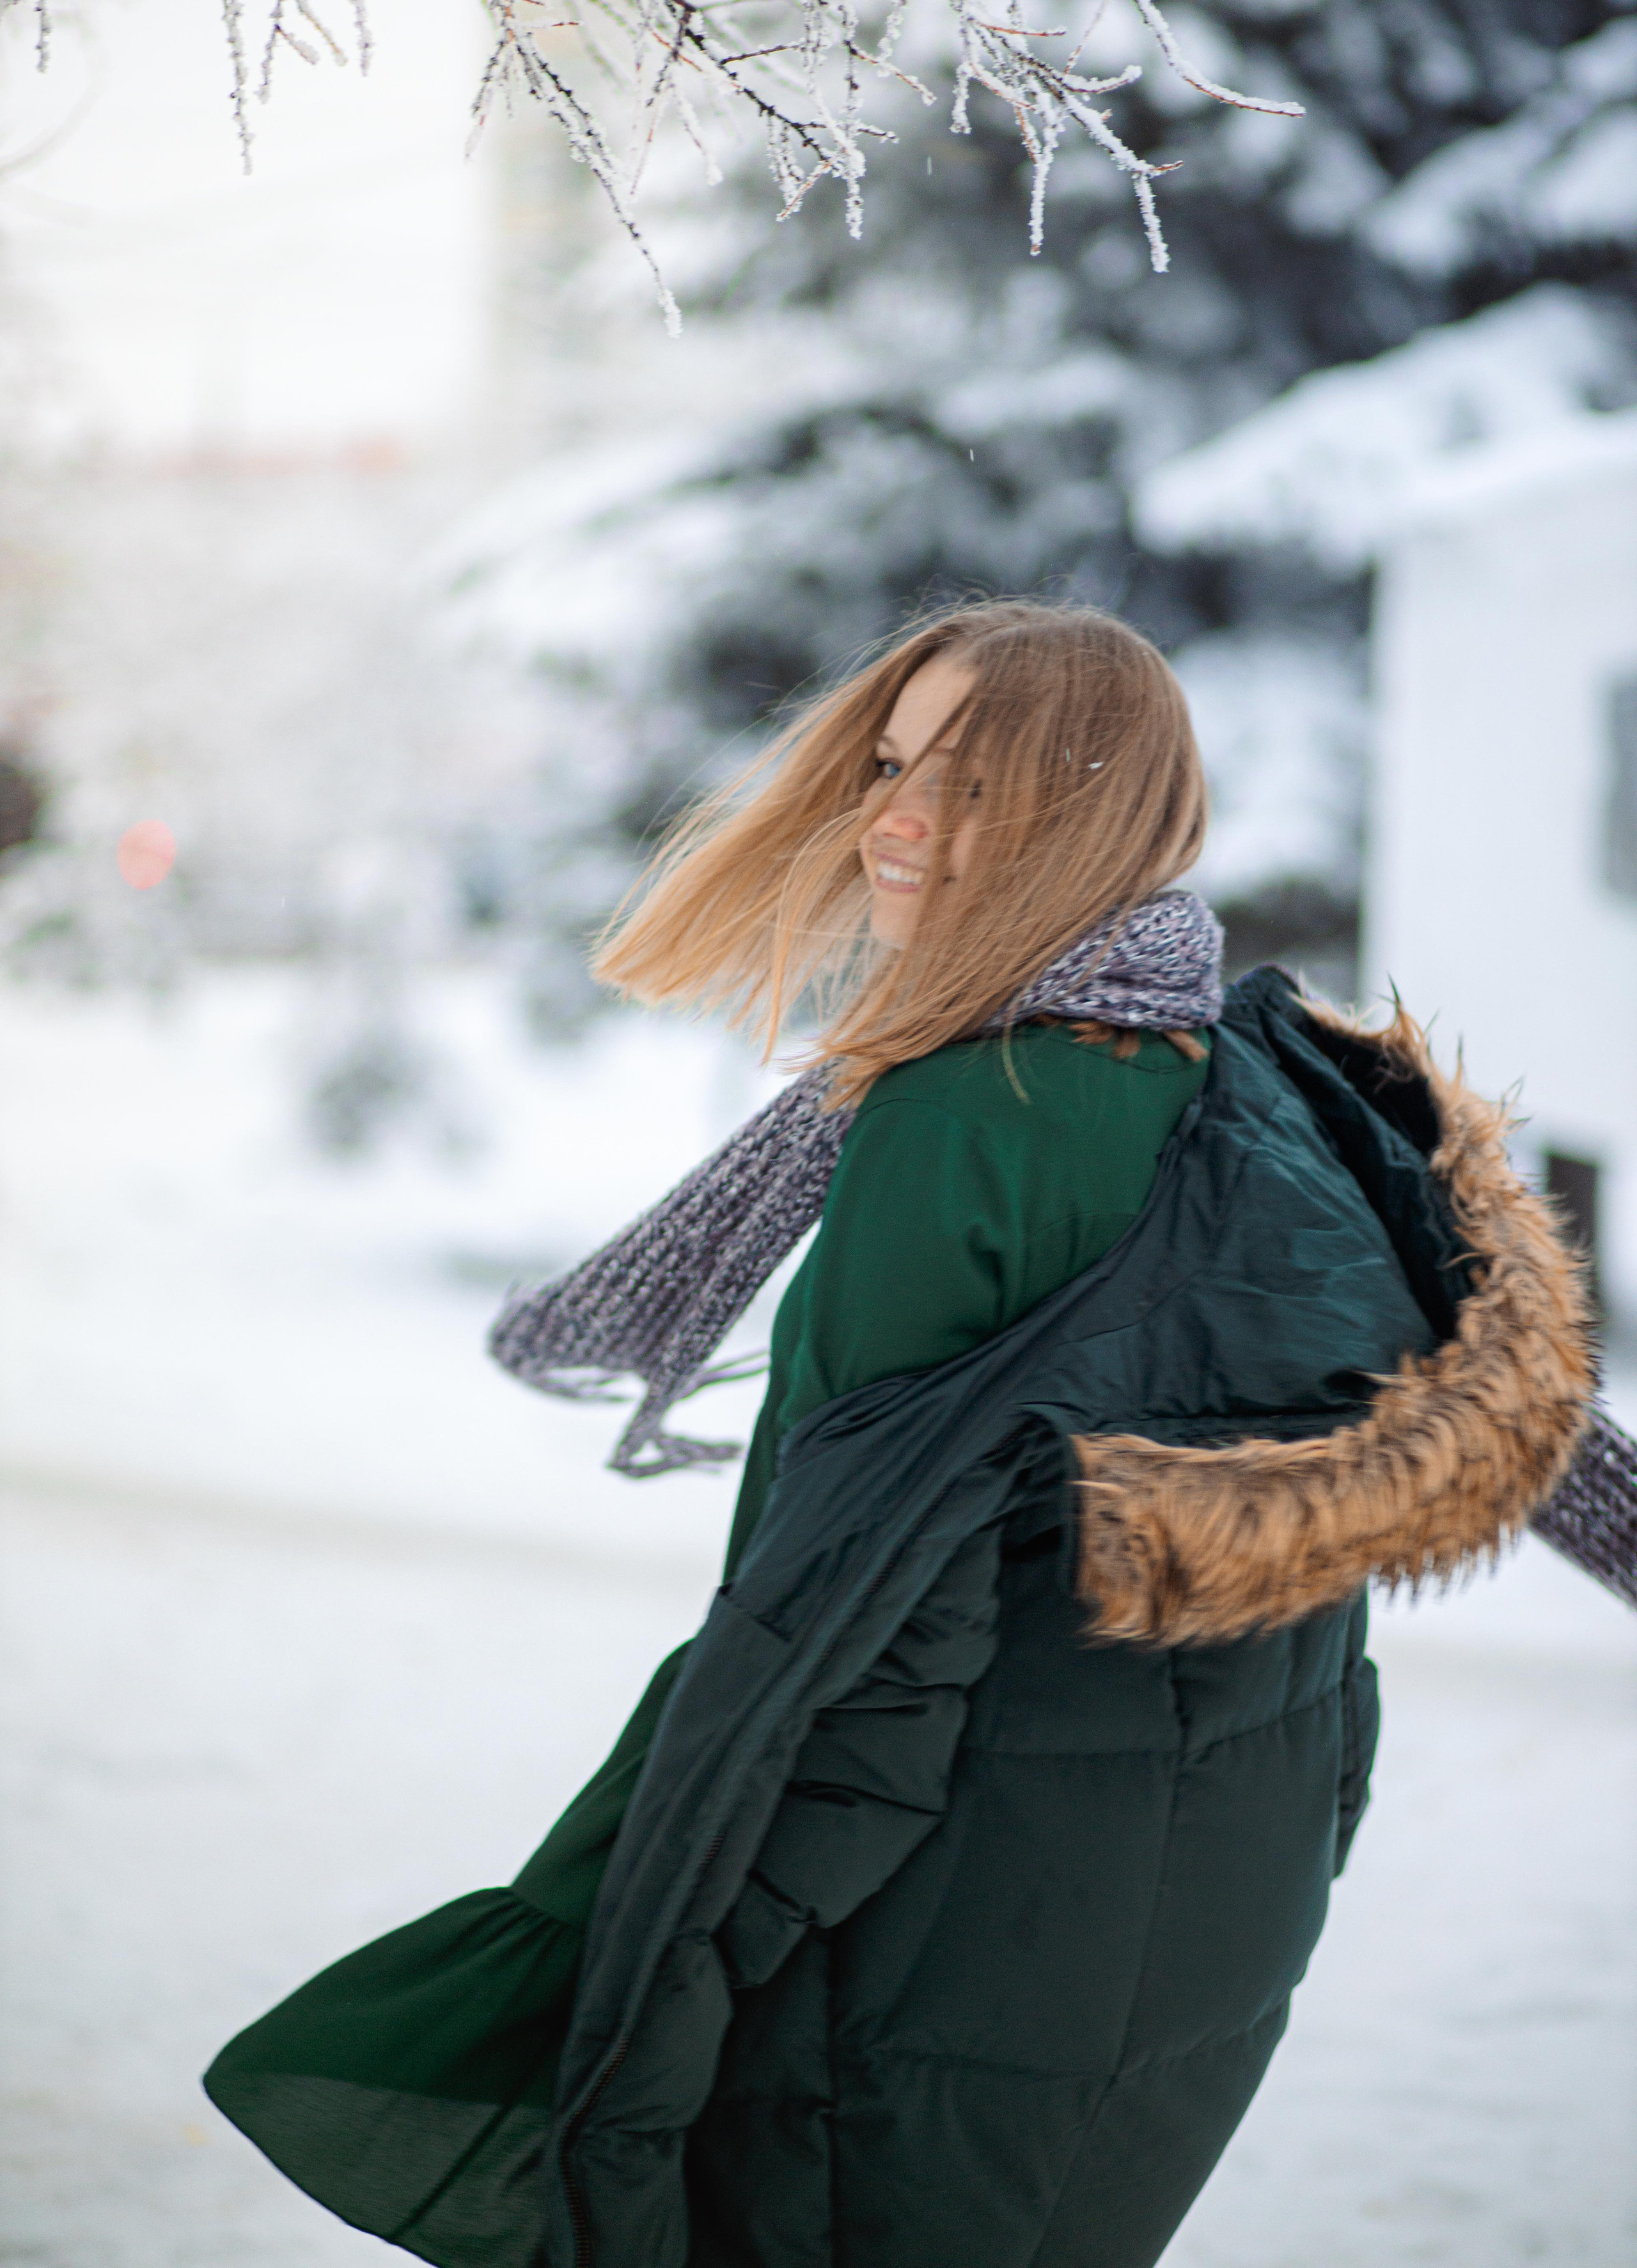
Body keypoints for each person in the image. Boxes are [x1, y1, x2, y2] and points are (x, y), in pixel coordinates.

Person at [205, 599, 1592, 2268]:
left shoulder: (964, 1115)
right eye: (889, 763)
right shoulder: (1274, 1092)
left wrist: (673, 1953)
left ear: (1099, 810)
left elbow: (833, 1643)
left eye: (978, 782)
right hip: (1206, 1913)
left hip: (954, 1933)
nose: (899, 819)